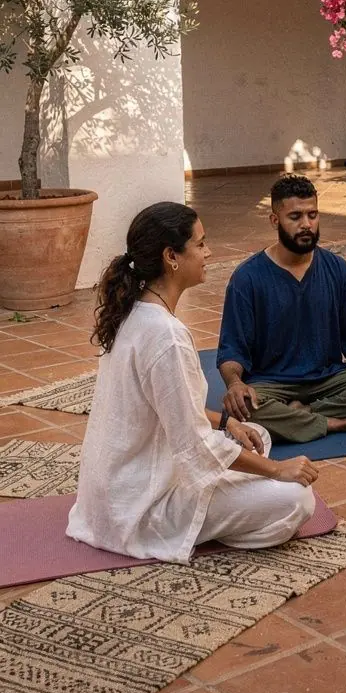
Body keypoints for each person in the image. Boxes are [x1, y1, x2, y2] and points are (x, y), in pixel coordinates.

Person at [67, 203, 319, 563]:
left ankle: (232, 497)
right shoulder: (166, 335)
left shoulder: (135, 313)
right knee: (296, 500)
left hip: (112, 495)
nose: (209, 252)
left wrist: (226, 422)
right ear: (171, 256)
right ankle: (191, 529)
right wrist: (279, 470)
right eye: (200, 244)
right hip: (141, 509)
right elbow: (196, 447)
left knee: (254, 435)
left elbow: (168, 407)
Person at [217, 174, 346, 442]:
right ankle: (341, 423)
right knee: (243, 410)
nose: (306, 225)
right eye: (295, 217)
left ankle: (306, 414)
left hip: (329, 380)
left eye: (312, 215)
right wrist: (235, 384)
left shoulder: (336, 268)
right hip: (271, 384)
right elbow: (232, 351)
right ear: (275, 220)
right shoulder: (247, 277)